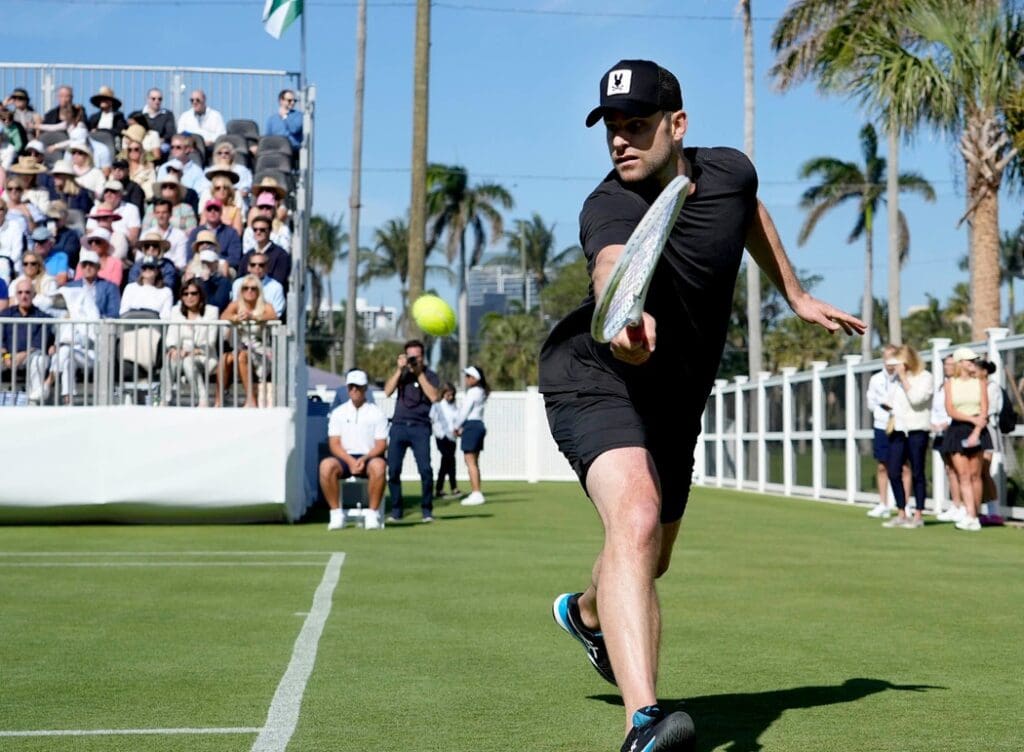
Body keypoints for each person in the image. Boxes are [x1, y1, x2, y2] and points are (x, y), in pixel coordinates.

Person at [539, 59, 865, 752]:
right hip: (597, 379)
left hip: (676, 402)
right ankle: (646, 722)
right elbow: (610, 266)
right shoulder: (608, 205)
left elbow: (748, 211)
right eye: (611, 128)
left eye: (637, 125)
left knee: (648, 557)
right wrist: (623, 318)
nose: (620, 140)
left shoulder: (729, 172)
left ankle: (589, 614)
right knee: (635, 515)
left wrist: (795, 293)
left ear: (677, 124)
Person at [319, 369, 389, 531]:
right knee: (326, 466)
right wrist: (350, 461)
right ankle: (336, 514)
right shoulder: (338, 413)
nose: (354, 390)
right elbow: (334, 443)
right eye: (351, 387)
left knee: (379, 466)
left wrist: (364, 459)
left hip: (369, 457)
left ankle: (372, 514)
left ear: (365, 388)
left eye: (358, 387)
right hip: (344, 457)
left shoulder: (377, 413)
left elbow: (381, 444)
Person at [383, 339, 440, 522]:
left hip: (420, 427)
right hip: (399, 426)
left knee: (425, 470)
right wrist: (399, 370)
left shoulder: (430, 375)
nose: (414, 360)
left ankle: (427, 510)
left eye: (417, 356)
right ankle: (396, 510)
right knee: (393, 470)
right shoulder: (402, 374)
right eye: (410, 357)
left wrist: (419, 373)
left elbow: (434, 396)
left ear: (423, 357)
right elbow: (387, 391)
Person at [880, 345, 933, 529]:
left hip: (917, 430)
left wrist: (903, 378)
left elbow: (917, 400)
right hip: (898, 430)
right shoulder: (895, 380)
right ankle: (901, 512)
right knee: (893, 471)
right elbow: (891, 401)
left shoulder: (925, 377)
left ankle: (918, 514)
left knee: (917, 471)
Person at [943, 347, 990, 532]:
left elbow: (984, 409)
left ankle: (974, 516)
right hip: (958, 430)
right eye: (969, 361)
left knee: (975, 475)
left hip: (979, 429)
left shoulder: (980, 382)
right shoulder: (950, 384)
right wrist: (972, 420)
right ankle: (969, 514)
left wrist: (976, 431)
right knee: (963, 475)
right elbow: (950, 410)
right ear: (960, 363)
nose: (973, 364)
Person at [216, 273, 278, 408]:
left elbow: (273, 316)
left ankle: (251, 400)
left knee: (242, 356)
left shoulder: (266, 306)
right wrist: (235, 318)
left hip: (261, 353)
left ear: (259, 290)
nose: (249, 291)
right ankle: (218, 401)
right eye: (245, 288)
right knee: (225, 358)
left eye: (253, 288)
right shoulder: (236, 305)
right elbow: (224, 316)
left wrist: (253, 317)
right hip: (241, 349)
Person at [864, 344, 909, 518]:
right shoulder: (876, 379)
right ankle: (883, 504)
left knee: (904, 466)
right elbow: (871, 403)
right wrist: (885, 407)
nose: (890, 362)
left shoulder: (903, 377)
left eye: (893, 358)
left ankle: (904, 505)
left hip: (901, 426)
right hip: (882, 425)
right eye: (887, 358)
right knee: (882, 465)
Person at [165, 279, 219, 406]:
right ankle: (165, 398)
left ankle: (202, 399)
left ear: (201, 295)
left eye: (194, 293)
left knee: (188, 361)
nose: (189, 297)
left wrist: (190, 352)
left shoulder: (211, 311)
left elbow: (210, 341)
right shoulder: (176, 311)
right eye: (185, 294)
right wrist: (173, 349)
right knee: (169, 359)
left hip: (204, 355)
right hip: (181, 353)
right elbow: (171, 337)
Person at [0, 277, 53, 404]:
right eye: (20, 292)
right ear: (16, 295)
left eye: (27, 292)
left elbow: (39, 342)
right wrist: (6, 356)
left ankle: (33, 401)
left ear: (34, 295)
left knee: (39, 360)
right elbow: (1, 340)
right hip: (7, 356)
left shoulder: (43, 317)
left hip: (32, 355)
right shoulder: (5, 315)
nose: (24, 296)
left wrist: (23, 355)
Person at [933, 354, 965, 522]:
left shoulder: (960, 385)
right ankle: (956, 505)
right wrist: (934, 424)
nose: (948, 367)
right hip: (939, 432)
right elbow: (936, 409)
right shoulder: (941, 385)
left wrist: (946, 423)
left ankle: (965, 507)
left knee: (960, 469)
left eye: (951, 364)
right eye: (946, 364)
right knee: (949, 469)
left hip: (954, 430)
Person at [455, 365, 490, 506]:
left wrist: (456, 426)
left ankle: (476, 493)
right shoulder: (480, 391)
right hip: (478, 425)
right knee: (474, 462)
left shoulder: (473, 392)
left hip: (472, 426)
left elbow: (465, 411)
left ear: (475, 378)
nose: (466, 379)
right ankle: (476, 491)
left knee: (470, 462)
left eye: (469, 376)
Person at [187, 200, 242, 275]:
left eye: (216, 209)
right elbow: (190, 256)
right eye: (209, 209)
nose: (212, 212)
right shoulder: (196, 232)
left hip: (221, 267)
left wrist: (214, 260)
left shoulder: (231, 232)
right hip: (200, 265)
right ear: (205, 213)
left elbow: (234, 259)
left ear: (221, 212)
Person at [182, 233, 232, 312]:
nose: (205, 245)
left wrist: (207, 280)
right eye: (201, 243)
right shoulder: (191, 264)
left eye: (208, 243)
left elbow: (222, 286)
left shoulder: (222, 263)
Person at [242, 214, 290, 293]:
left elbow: (278, 282)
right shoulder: (248, 255)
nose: (258, 232)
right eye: (255, 230)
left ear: (270, 231)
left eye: (262, 230)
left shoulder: (281, 255)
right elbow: (240, 279)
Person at [430, 382, 462, 499]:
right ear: (443, 394)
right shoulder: (437, 406)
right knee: (448, 459)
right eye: (448, 394)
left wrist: (458, 430)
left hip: (452, 438)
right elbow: (432, 420)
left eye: (452, 395)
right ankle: (452, 488)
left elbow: (457, 420)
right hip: (441, 437)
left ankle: (441, 488)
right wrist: (439, 433)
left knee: (449, 461)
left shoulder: (455, 407)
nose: (450, 397)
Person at [230, 250, 284, 317]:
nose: (257, 267)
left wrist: (252, 316)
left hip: (266, 323)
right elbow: (234, 309)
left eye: (261, 265)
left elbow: (276, 314)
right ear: (248, 267)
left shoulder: (276, 287)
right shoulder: (238, 283)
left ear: (267, 267)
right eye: (253, 265)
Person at [143, 199, 188, 271]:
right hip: (148, 270)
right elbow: (139, 259)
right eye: (158, 212)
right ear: (154, 214)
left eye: (164, 212)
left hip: (171, 271)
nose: (161, 216)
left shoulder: (180, 235)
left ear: (170, 214)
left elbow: (181, 263)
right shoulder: (146, 234)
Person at [11, 247, 59, 313]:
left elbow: (50, 303)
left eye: (33, 263)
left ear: (39, 265)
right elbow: (12, 304)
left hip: (42, 316)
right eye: (25, 264)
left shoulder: (49, 281)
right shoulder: (15, 283)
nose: (29, 266)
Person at [0, 202, 25, 284]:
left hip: (10, 265)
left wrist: (6, 261)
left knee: (3, 265)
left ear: (6, 211)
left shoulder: (14, 226)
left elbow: (17, 252)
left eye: (1, 209)